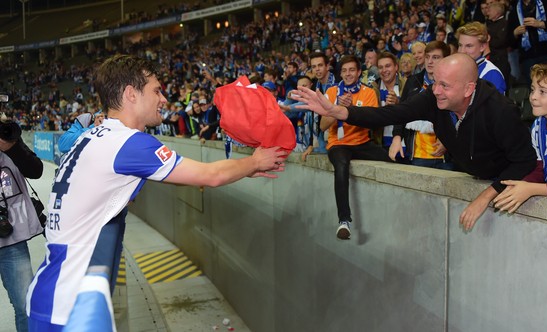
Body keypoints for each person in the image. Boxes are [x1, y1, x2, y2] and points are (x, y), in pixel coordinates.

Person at [26, 54, 287, 331]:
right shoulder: (129, 144)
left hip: (52, 291)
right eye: (156, 90)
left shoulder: (94, 135)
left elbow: (178, 175)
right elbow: (211, 175)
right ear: (131, 94)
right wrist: (255, 162)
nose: (163, 99)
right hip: (70, 308)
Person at [293, 53, 537, 232]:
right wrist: (339, 112)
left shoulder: (500, 111)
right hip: (472, 174)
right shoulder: (434, 98)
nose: (436, 90)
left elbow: (524, 162)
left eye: (445, 85)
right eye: (435, 82)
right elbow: (389, 115)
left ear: (468, 89)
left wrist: (487, 195)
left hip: (502, 185)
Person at [494, 61, 547, 213]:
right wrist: (521, 186)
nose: (533, 97)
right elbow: (540, 170)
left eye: (543, 92)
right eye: (533, 89)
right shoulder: (538, 125)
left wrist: (532, 189)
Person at [321, 55, 390, 240]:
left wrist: (350, 111)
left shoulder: (368, 92)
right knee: (341, 166)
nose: (348, 74)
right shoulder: (332, 92)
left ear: (359, 72)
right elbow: (322, 125)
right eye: (344, 71)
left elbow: (372, 123)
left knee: (390, 158)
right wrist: (337, 110)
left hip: (362, 142)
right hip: (339, 144)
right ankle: (344, 220)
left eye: (352, 70)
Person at [0, 128, 44, 332]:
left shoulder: (7, 137)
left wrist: (12, 148)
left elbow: (36, 170)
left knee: (26, 304)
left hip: (11, 240)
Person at [391, 41, 455, 170]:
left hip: (447, 157)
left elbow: (459, 116)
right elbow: (402, 112)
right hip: (418, 155)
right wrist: (397, 138)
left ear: (446, 60)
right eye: (427, 57)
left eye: (435, 57)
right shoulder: (413, 81)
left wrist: (449, 141)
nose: (430, 61)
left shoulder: (453, 83)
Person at [457, 22, 507, 94]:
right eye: (460, 45)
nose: (462, 51)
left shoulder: (491, 73)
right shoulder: (456, 70)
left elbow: (495, 105)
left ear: (482, 47)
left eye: (469, 46)